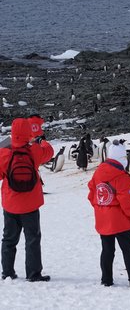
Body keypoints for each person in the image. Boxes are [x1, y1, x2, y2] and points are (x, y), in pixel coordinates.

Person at [87, 141, 130, 287]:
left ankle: (106, 279)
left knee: (107, 250)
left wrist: (100, 207)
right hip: (119, 220)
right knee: (128, 250)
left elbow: (91, 193)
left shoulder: (98, 172)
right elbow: (127, 202)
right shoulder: (122, 177)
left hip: (102, 218)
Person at [0, 117, 54, 281]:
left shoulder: (4, 154)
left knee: (9, 239)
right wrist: (41, 141)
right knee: (32, 239)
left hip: (10, 204)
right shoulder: (34, 151)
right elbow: (50, 151)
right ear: (28, 133)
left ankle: (8, 272)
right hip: (30, 205)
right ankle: (33, 273)